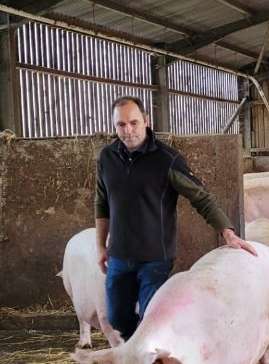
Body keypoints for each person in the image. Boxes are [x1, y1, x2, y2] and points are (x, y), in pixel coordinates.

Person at [95, 95, 256, 341]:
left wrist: (227, 231)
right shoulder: (107, 158)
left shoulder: (166, 160)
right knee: (117, 317)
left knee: (152, 319)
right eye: (121, 125)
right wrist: (100, 246)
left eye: (134, 123)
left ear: (146, 121)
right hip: (119, 255)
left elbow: (201, 198)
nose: (128, 131)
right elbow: (102, 203)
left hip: (155, 258)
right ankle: (136, 347)